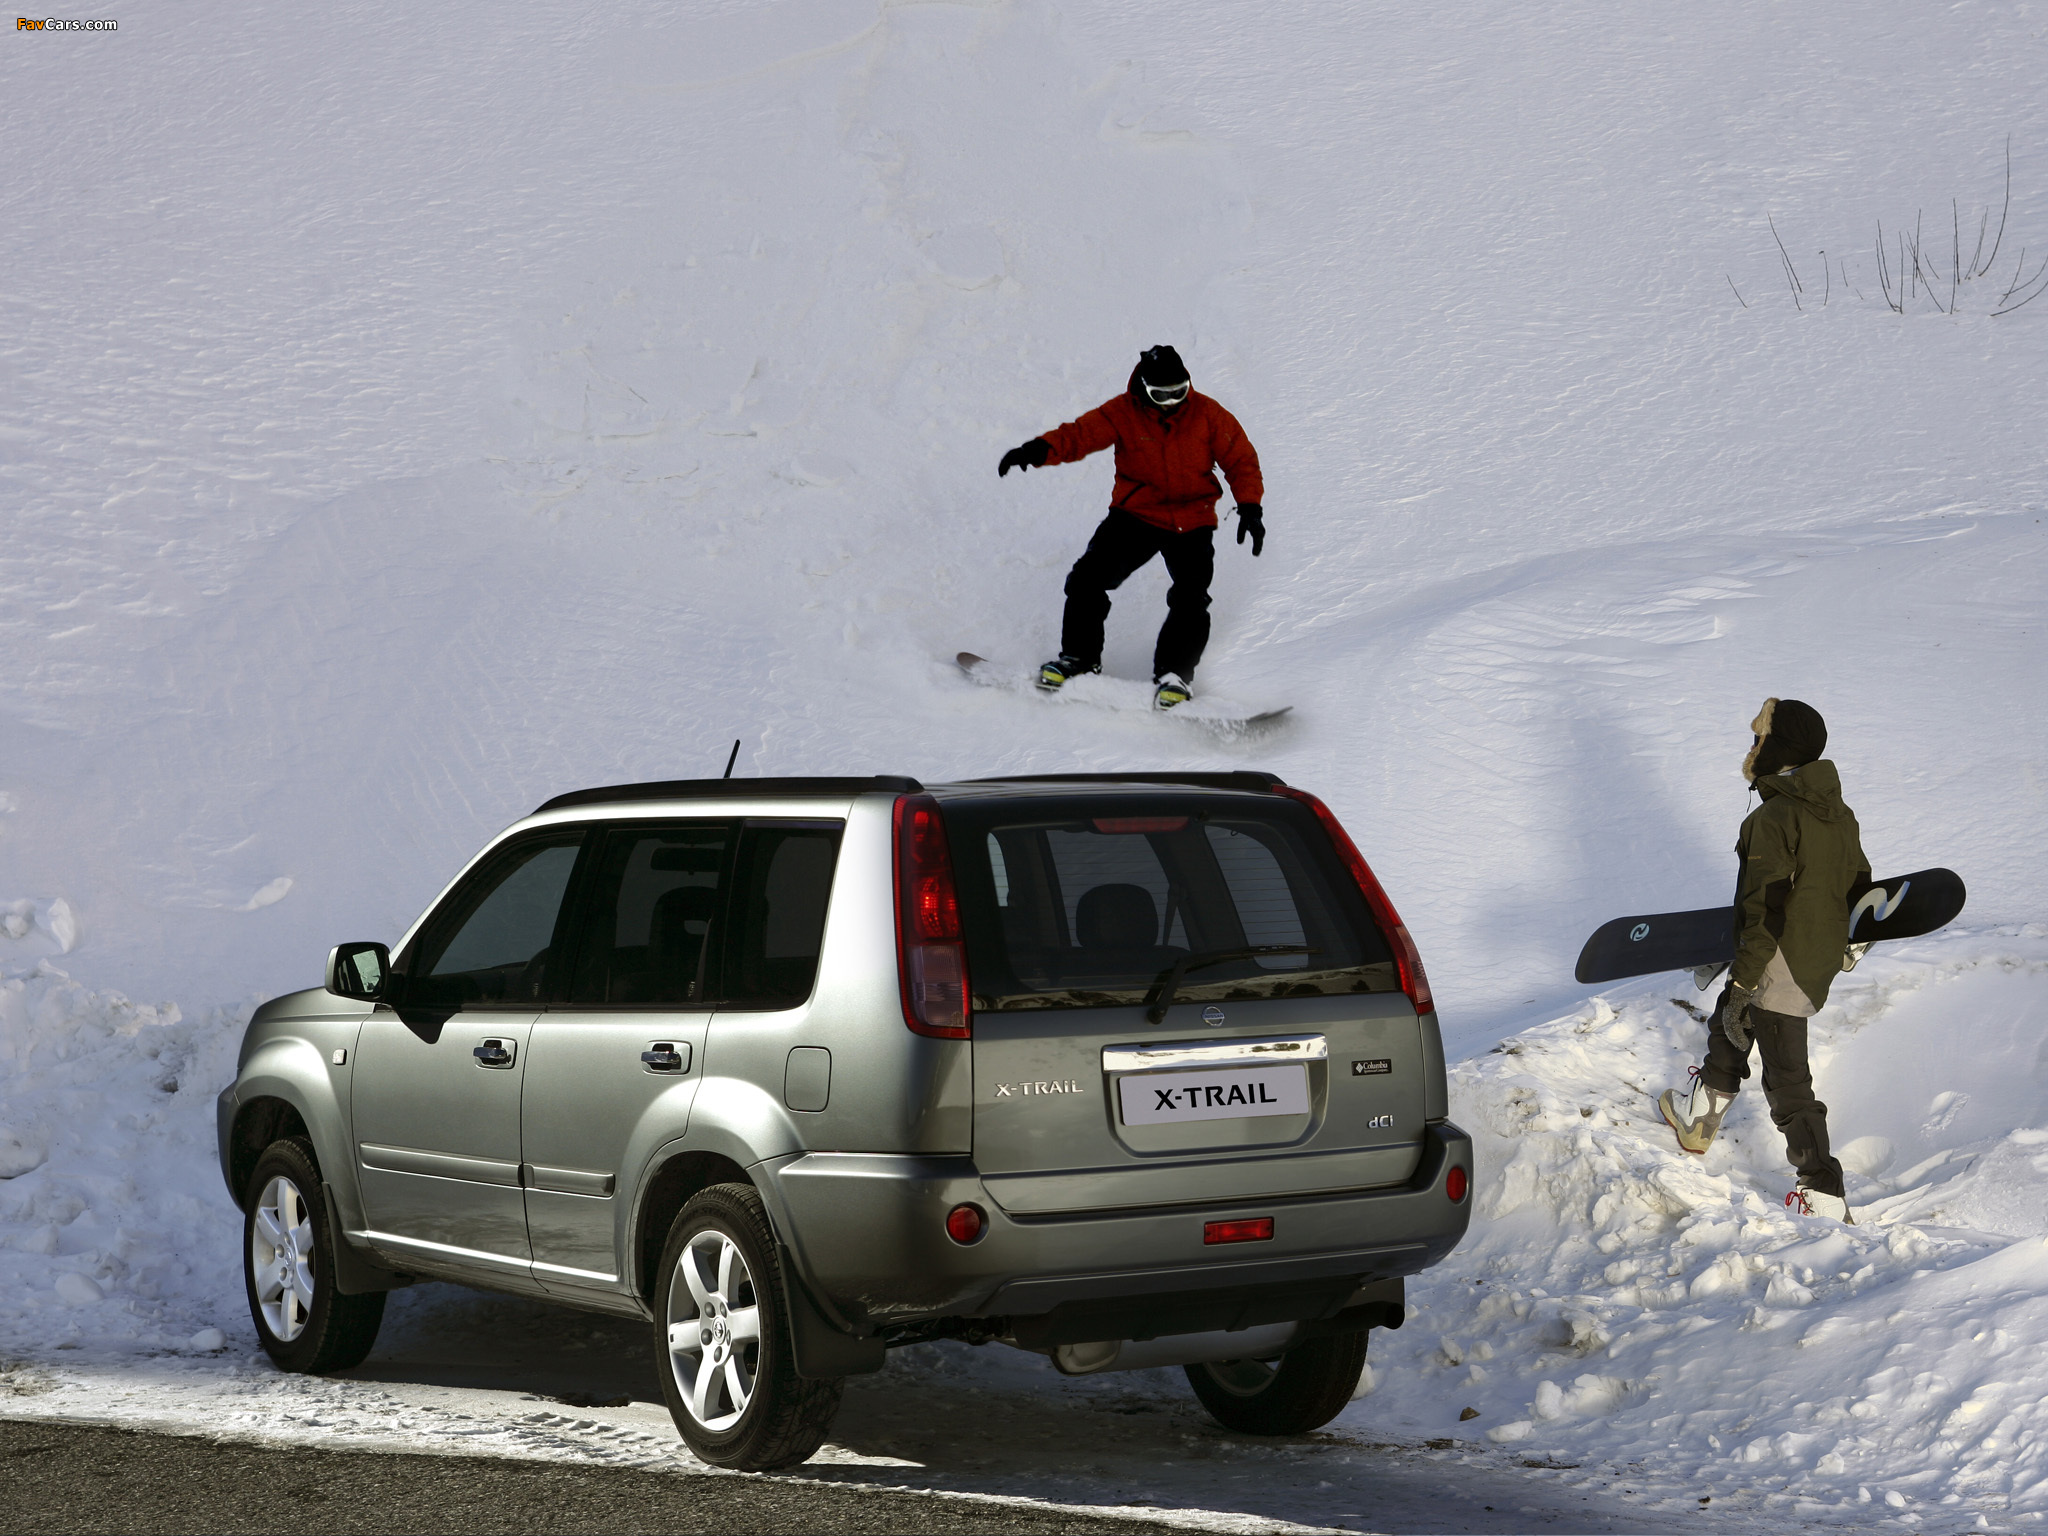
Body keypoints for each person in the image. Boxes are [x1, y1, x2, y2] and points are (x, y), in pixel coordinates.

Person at [1658, 699, 1871, 1223]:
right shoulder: (1838, 814)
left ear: (1781, 749)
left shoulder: (1773, 818)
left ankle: (1822, 1190)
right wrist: (1846, 946)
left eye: (1759, 739)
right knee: (1728, 1024)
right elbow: (1860, 883)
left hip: (1780, 961)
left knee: (1787, 1081)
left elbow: (1764, 910)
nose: (1751, 747)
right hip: (1811, 956)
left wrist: (1745, 980)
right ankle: (1700, 1118)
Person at [996, 345, 1263, 710]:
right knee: (1087, 580)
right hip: (1137, 515)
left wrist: (1250, 506)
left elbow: (1241, 460)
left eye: (1179, 392)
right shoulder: (1122, 412)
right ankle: (1079, 660)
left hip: (1192, 519)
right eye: (1161, 395)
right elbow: (1078, 435)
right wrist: (1036, 450)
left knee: (1191, 597)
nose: (1171, 402)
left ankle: (1175, 676)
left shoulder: (1208, 414)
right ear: (1143, 389)